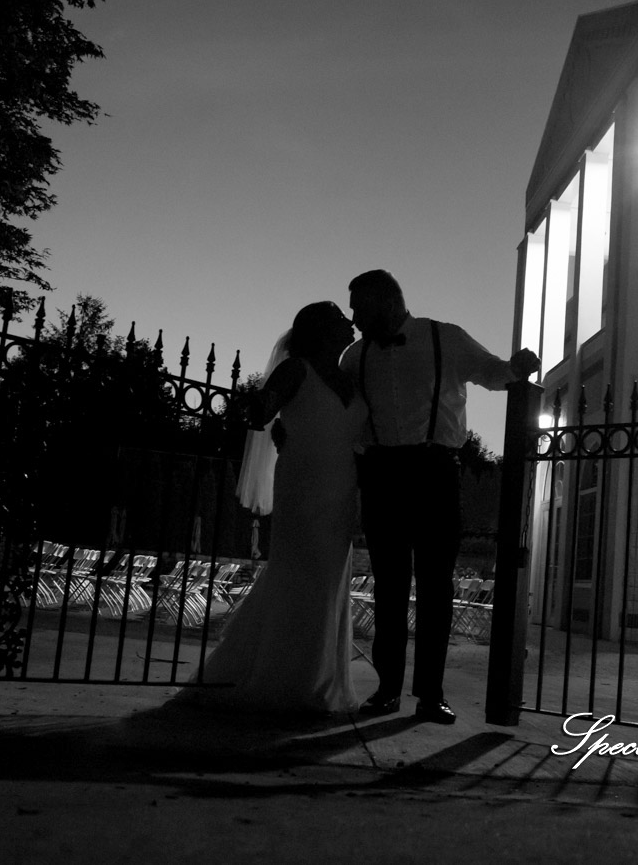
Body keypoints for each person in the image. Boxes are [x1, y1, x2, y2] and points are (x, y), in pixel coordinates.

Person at [342, 270, 538, 724]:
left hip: (434, 472)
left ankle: (430, 694)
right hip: (381, 474)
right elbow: (341, 410)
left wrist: (516, 367)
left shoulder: (443, 338)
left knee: (436, 587)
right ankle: (386, 690)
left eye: (360, 307)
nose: (354, 318)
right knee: (389, 586)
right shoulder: (354, 356)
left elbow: (492, 373)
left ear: (389, 302)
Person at [178, 301, 364, 715]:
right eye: (338, 320)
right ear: (318, 330)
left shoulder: (351, 375)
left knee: (329, 583)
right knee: (299, 576)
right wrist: (263, 412)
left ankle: (317, 680)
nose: (349, 323)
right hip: (302, 486)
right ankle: (285, 680)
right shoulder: (296, 369)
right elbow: (261, 411)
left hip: (341, 493)